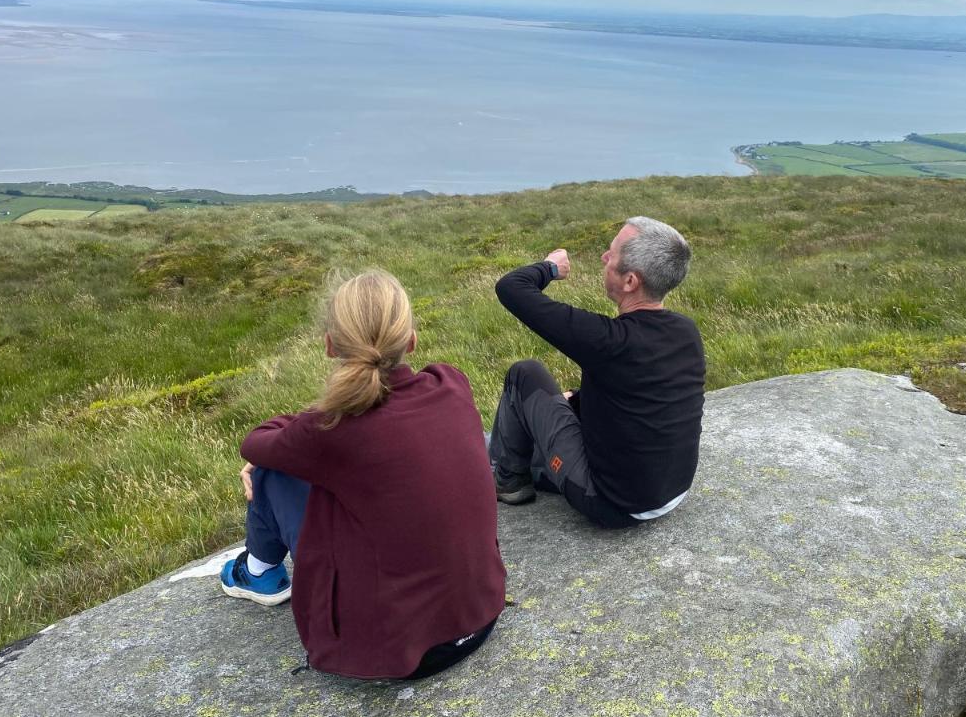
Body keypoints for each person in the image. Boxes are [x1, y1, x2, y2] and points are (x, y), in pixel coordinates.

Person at [220, 270, 506, 680]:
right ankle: (260, 568)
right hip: (480, 617)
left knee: (271, 471)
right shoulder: (451, 383)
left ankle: (260, 572)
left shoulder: (332, 430)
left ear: (330, 345)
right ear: (411, 340)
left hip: (402, 654)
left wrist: (297, 436)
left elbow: (255, 443)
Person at [487, 216, 705, 529]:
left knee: (526, 373)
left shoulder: (609, 342)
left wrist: (550, 267)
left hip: (611, 503)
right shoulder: (686, 331)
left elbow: (511, 288)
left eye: (612, 255)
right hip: (672, 491)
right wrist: (576, 398)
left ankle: (508, 482)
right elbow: (636, 388)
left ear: (630, 281)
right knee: (560, 410)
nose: (604, 257)